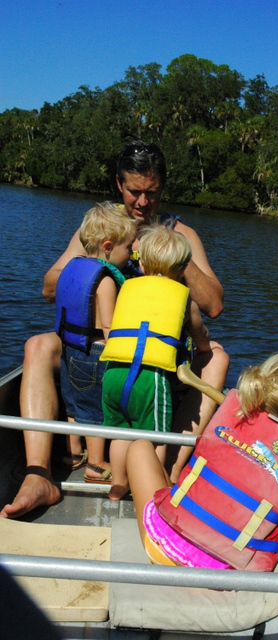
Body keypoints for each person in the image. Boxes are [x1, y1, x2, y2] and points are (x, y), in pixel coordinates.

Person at [0, 140, 229, 519]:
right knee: (38, 345)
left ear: (163, 188)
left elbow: (215, 304)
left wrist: (169, 252)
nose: (142, 202)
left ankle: (166, 474)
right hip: (97, 353)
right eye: (134, 191)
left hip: (155, 359)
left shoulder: (181, 234)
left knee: (217, 357)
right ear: (118, 185)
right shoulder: (101, 228)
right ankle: (38, 475)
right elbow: (48, 286)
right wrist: (101, 260)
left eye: (151, 193)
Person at [126, 353, 278, 571]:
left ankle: (174, 507)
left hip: (162, 551)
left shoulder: (232, 418)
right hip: (224, 572)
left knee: (139, 447)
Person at [102, 224, 212, 500]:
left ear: (142, 263)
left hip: (113, 373)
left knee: (119, 433)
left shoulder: (127, 287)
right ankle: (156, 489)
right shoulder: (183, 297)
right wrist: (204, 347)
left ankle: (118, 482)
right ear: (182, 268)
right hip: (150, 378)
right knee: (158, 437)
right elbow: (199, 332)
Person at [56, 202, 136, 483]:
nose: (130, 255)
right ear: (107, 246)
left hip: (69, 347)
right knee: (94, 411)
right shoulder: (105, 281)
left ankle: (73, 453)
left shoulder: (71, 267)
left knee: (73, 406)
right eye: (127, 248)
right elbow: (109, 326)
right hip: (94, 353)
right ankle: (97, 464)